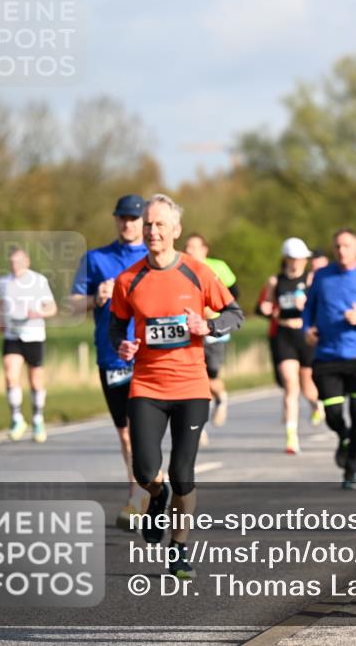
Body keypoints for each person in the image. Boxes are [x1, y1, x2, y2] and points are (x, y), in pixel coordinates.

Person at [108, 194, 244, 579]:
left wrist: (209, 326)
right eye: (148, 224)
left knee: (183, 472)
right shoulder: (128, 279)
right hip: (147, 386)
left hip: (191, 386)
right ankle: (157, 498)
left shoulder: (198, 273)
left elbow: (236, 314)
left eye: (160, 224)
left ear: (176, 230)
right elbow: (116, 324)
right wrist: (123, 343)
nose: (152, 230)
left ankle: (180, 547)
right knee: (147, 469)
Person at [70, 194, 150, 527]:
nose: (127, 223)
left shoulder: (155, 258)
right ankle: (139, 495)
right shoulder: (95, 258)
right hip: (112, 356)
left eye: (133, 218)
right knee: (127, 433)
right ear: (115, 219)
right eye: (122, 217)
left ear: (143, 221)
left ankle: (148, 491)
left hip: (151, 355)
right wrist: (95, 298)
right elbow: (71, 303)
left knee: (148, 428)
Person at [303, 229, 356, 489]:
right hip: (327, 357)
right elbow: (308, 309)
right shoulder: (322, 276)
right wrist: (307, 330)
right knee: (333, 413)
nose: (341, 250)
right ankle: (344, 437)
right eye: (337, 246)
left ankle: (352, 469)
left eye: (347, 245)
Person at [256, 238, 322, 454]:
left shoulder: (310, 278)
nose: (300, 262)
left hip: (304, 335)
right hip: (284, 335)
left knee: (308, 389)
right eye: (295, 258)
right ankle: (291, 436)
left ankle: (315, 404)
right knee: (290, 385)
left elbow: (319, 305)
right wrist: (267, 309)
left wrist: (306, 305)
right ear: (287, 259)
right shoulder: (275, 281)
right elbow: (265, 305)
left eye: (303, 258)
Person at [0, 247, 57, 444]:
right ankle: (17, 419)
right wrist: (0, 321)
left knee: (35, 380)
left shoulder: (38, 281)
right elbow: (0, 304)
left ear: (27, 262)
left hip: (34, 335)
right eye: (12, 262)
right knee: (10, 373)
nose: (15, 266)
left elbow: (52, 307)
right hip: (12, 334)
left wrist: (38, 313)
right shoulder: (3, 282)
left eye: (19, 262)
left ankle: (38, 420)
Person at [184, 234, 239, 442]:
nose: (190, 251)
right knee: (196, 377)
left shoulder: (218, 267)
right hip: (191, 330)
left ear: (205, 249)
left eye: (194, 247)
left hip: (214, 330)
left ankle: (221, 399)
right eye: (187, 247)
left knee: (211, 376)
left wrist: (214, 312)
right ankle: (198, 427)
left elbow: (234, 298)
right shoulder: (181, 268)